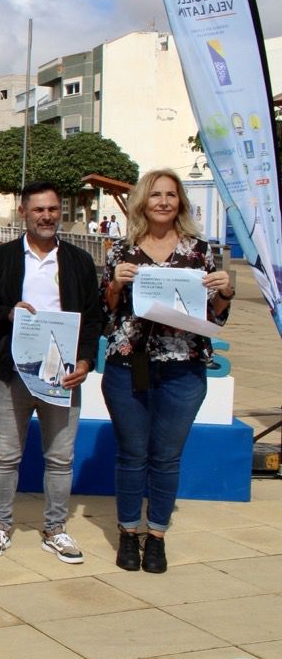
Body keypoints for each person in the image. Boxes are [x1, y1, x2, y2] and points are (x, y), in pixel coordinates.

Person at [100, 169, 232, 574]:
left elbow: (218, 315)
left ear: (180, 203)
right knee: (132, 454)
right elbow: (106, 310)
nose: (162, 202)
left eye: (170, 195)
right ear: (142, 202)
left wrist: (225, 291)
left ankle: (155, 536)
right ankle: (127, 532)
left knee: (167, 457)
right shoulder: (121, 251)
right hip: (129, 366)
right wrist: (116, 286)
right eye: (155, 195)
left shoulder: (200, 252)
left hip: (183, 369)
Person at [0, 181, 102, 563]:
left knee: (61, 457)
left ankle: (55, 529)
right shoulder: (2, 259)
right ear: (23, 213)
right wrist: (9, 312)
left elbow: (94, 318)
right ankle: (0, 524)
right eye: (38, 210)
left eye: (52, 209)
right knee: (6, 454)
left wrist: (85, 361)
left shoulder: (79, 262)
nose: (46, 216)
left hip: (62, 376)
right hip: (14, 372)